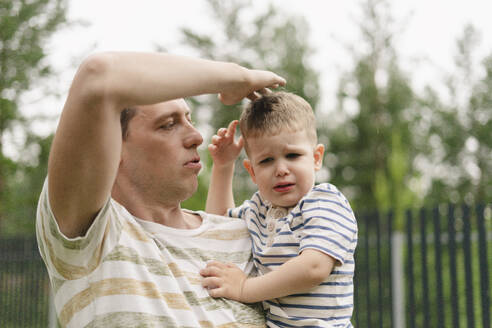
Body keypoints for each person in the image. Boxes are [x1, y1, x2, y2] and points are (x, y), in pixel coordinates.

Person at [35, 51, 286, 328]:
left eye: (188, 118)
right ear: (113, 148)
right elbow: (98, 76)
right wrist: (237, 77)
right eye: (168, 125)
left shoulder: (246, 233)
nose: (196, 137)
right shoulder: (92, 238)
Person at [202, 91, 358, 327]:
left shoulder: (325, 202)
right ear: (252, 171)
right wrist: (223, 167)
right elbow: (218, 224)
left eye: (293, 155)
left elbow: (313, 268)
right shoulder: (258, 210)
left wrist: (245, 288)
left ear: (316, 158)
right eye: (266, 161)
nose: (281, 169)